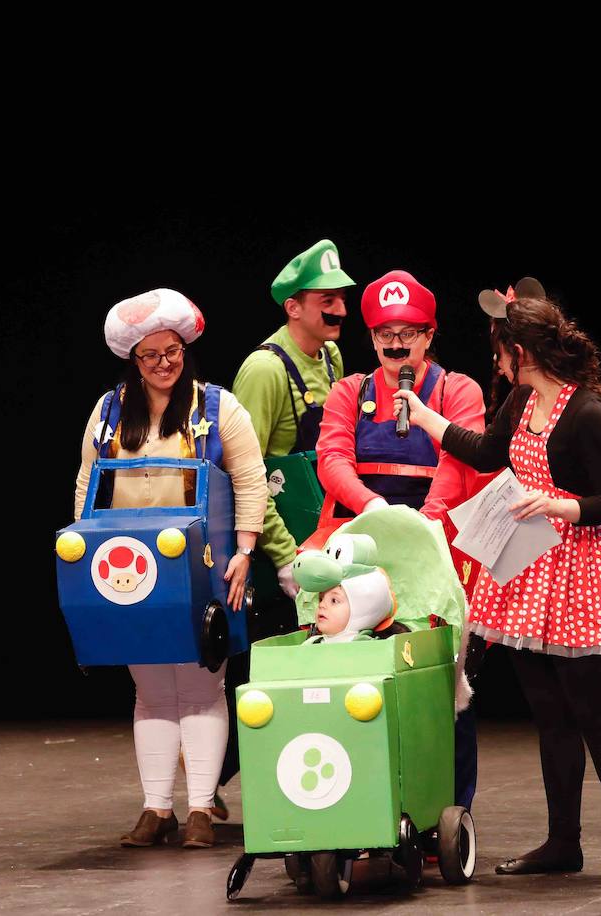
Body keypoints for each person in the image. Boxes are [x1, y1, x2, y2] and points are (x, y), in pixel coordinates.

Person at [392, 279, 601, 879]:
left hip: (578, 570)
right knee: (550, 714)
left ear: (523, 352)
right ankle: (563, 841)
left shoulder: (587, 412)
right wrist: (428, 417)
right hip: (528, 567)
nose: (497, 360)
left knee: (592, 712)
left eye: (501, 349)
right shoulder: (519, 402)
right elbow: (487, 453)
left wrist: (559, 506)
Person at [74, 288, 266, 849]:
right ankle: (157, 808)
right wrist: (89, 561)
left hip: (206, 566)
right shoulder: (108, 413)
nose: (163, 363)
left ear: (185, 349)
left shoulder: (218, 408)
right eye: (150, 355)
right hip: (132, 571)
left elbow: (252, 481)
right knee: (151, 691)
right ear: (133, 360)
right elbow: (88, 484)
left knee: (205, 683)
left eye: (172, 350)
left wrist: (245, 553)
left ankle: (202, 809)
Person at [314, 269, 488, 809]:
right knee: (345, 674)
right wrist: (374, 512)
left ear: (429, 335)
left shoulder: (458, 390)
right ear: (371, 338)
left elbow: (460, 460)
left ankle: (447, 809)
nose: (395, 343)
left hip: (436, 546)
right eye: (384, 332)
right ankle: (352, 799)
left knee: (442, 686)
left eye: (407, 332)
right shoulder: (349, 391)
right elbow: (333, 459)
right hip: (361, 544)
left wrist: (422, 525)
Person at [223, 238, 353, 815]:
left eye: (342, 301)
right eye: (327, 300)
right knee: (260, 671)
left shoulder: (330, 359)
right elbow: (244, 472)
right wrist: (281, 557)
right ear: (292, 307)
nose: (340, 311)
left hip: (322, 537)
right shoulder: (264, 369)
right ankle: (235, 781)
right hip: (281, 546)